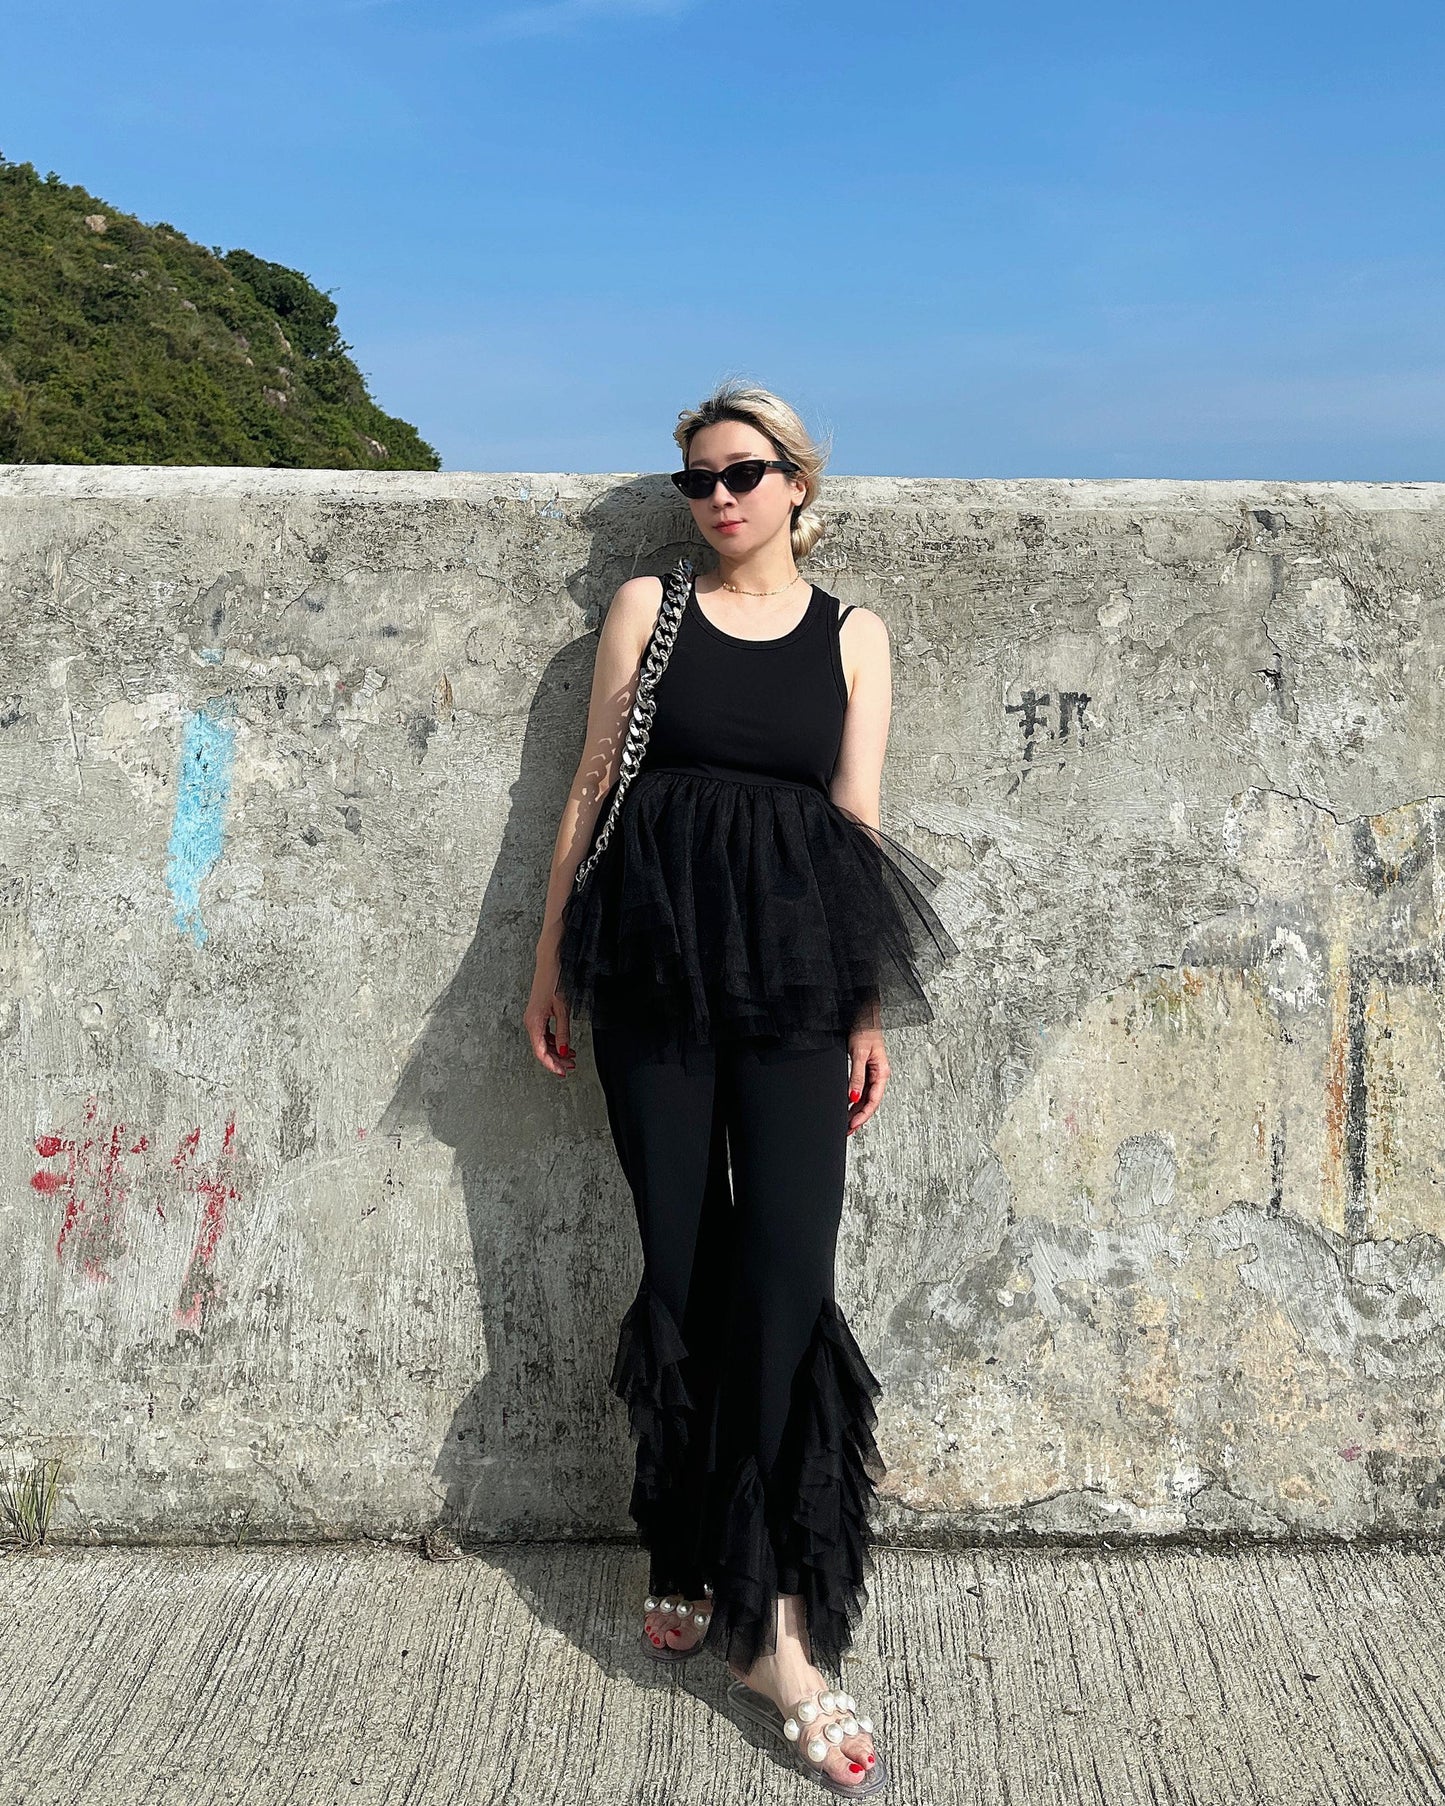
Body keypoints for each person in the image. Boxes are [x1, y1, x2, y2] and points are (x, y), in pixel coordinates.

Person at [525, 380, 956, 1792]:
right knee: (684, 1258)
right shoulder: (649, 611)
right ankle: (703, 1563)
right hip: (652, 970)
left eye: (742, 473)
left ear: (797, 487)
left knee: (783, 1269)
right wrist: (548, 960)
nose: (717, 497)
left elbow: (856, 822)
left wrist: (864, 1006)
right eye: (697, 479)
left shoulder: (853, 634)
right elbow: (590, 789)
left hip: (793, 980)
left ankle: (762, 1596)